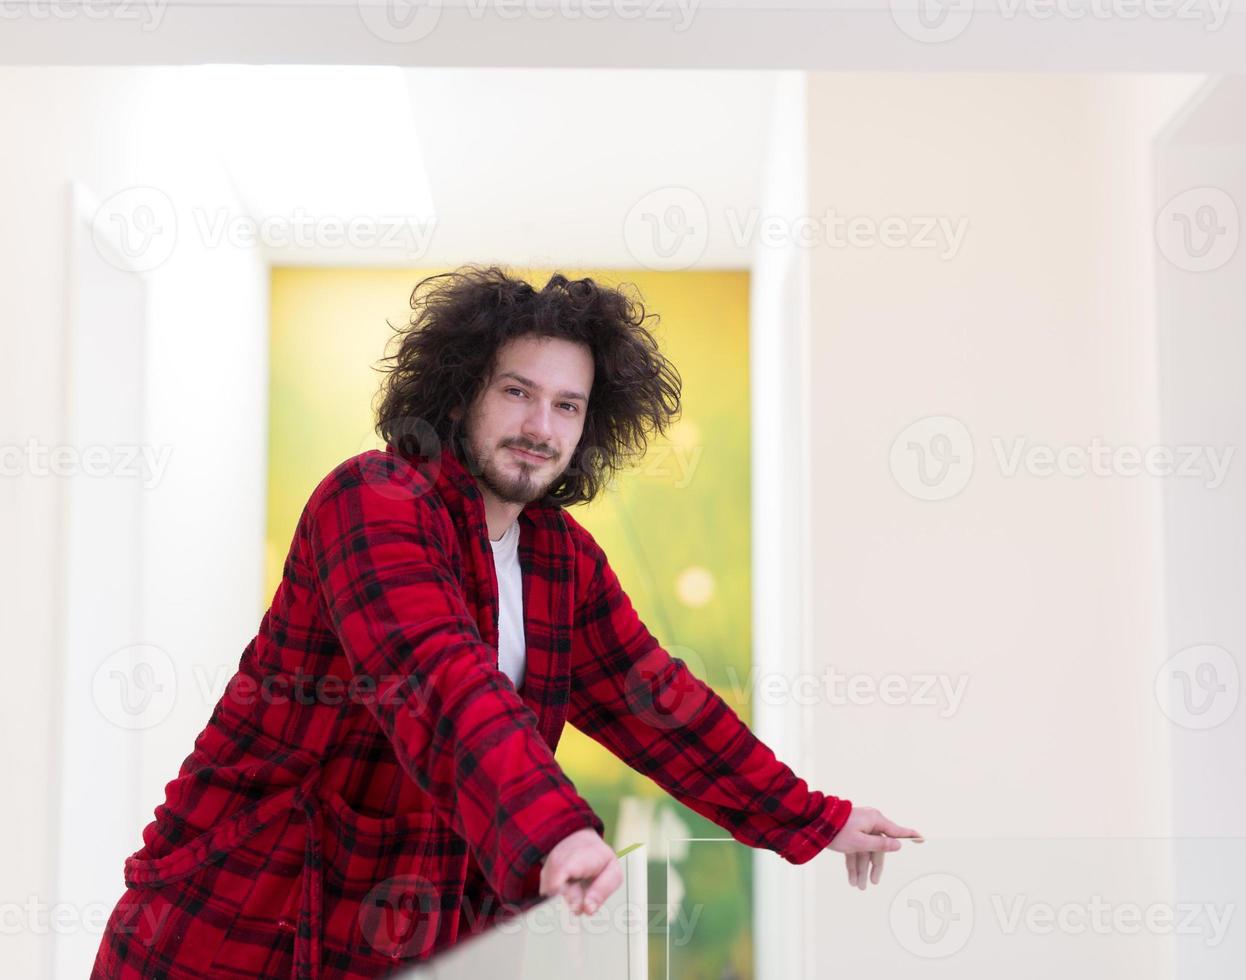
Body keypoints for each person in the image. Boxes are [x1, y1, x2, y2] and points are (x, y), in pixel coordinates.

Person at [90, 265, 922, 979]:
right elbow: (437, 678)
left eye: (568, 406)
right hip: (234, 927)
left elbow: (661, 706)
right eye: (517, 392)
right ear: (460, 392)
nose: (540, 427)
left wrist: (816, 817)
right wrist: (557, 835)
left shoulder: (561, 559)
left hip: (401, 938)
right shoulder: (371, 500)